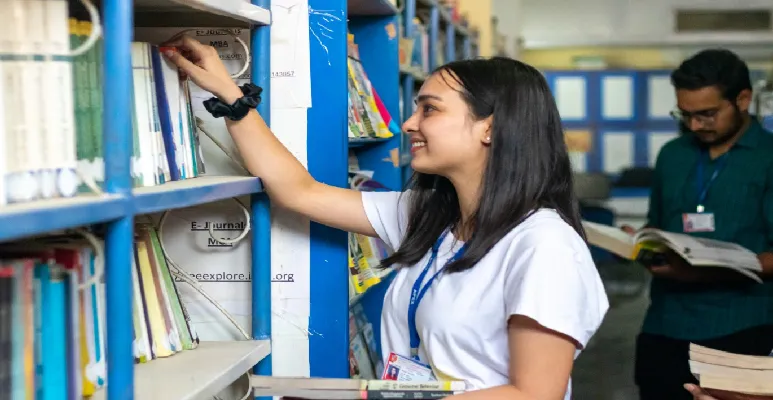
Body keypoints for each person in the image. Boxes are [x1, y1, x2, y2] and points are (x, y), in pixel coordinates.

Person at [163, 35, 609, 399]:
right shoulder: (430, 216)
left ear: (490, 127)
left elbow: (534, 395)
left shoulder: (544, 246)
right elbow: (299, 192)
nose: (408, 124)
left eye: (429, 109)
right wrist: (232, 98)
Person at [626, 49, 773, 400]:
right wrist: (641, 246)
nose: (694, 126)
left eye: (707, 114)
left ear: (743, 100)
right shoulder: (673, 154)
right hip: (665, 324)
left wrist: (711, 271)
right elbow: (656, 225)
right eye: (686, 114)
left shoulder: (768, 158)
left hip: (741, 326)